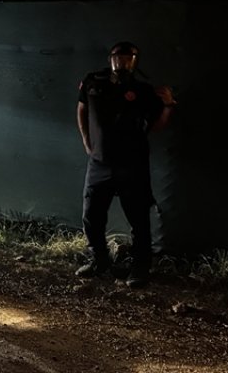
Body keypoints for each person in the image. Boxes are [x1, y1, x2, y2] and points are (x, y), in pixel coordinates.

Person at [75, 41, 176, 287]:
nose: (122, 63)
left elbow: (155, 126)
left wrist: (168, 106)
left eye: (128, 59)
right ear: (110, 59)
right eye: (118, 58)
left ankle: (140, 268)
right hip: (99, 164)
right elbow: (81, 109)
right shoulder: (93, 82)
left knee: (139, 218)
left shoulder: (143, 91)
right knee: (92, 216)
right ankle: (100, 260)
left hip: (133, 165)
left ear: (135, 62)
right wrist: (88, 142)